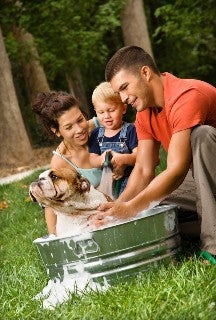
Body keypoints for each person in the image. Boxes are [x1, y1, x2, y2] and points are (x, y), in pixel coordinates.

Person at [93, 46, 216, 265]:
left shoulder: (185, 96)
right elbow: (142, 170)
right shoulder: (144, 114)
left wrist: (131, 208)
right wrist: (117, 210)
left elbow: (177, 170)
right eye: (118, 93)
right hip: (205, 182)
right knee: (154, 203)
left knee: (202, 136)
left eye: (124, 88)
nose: (122, 99)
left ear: (145, 73)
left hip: (208, 173)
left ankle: (213, 248)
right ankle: (202, 221)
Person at [32, 91, 102, 235]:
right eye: (69, 127)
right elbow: (51, 204)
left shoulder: (102, 124)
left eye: (80, 119)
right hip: (98, 217)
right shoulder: (60, 163)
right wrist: (54, 239)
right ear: (56, 131)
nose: (79, 129)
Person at [88, 81, 138, 197]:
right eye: (101, 112)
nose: (107, 116)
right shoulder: (96, 134)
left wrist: (123, 159)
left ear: (124, 109)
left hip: (130, 179)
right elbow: (92, 159)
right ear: (96, 112)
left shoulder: (130, 130)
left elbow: (139, 156)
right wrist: (101, 159)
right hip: (107, 181)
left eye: (111, 110)